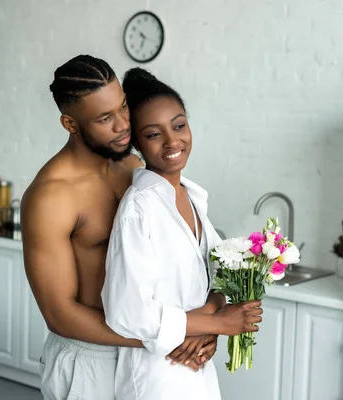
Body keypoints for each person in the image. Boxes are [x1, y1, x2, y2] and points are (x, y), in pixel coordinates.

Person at [21, 55, 259, 400]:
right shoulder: (51, 196)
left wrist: (203, 326)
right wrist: (183, 331)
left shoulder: (134, 167)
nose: (123, 126)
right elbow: (60, 314)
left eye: (123, 108)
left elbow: (192, 261)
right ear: (70, 124)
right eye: (105, 118)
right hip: (92, 360)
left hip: (153, 356)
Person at [101, 68, 264, 400]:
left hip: (197, 367)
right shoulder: (139, 209)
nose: (173, 141)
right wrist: (218, 324)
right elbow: (126, 314)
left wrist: (210, 324)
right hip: (155, 377)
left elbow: (217, 277)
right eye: (153, 134)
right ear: (136, 143)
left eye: (178, 125)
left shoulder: (192, 198)